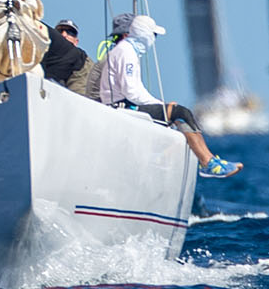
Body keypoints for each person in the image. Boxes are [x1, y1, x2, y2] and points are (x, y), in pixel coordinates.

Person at [99, 14, 241, 178]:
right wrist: (161, 105)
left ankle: (206, 160)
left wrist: (162, 106)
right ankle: (207, 163)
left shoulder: (127, 50)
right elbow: (131, 91)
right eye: (154, 35)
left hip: (124, 103)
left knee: (178, 115)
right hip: (121, 107)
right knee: (181, 114)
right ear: (145, 34)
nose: (155, 39)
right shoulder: (126, 52)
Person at [40, 18, 87, 85]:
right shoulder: (44, 54)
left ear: (76, 41)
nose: (64, 34)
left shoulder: (81, 60)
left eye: (70, 32)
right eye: (60, 31)